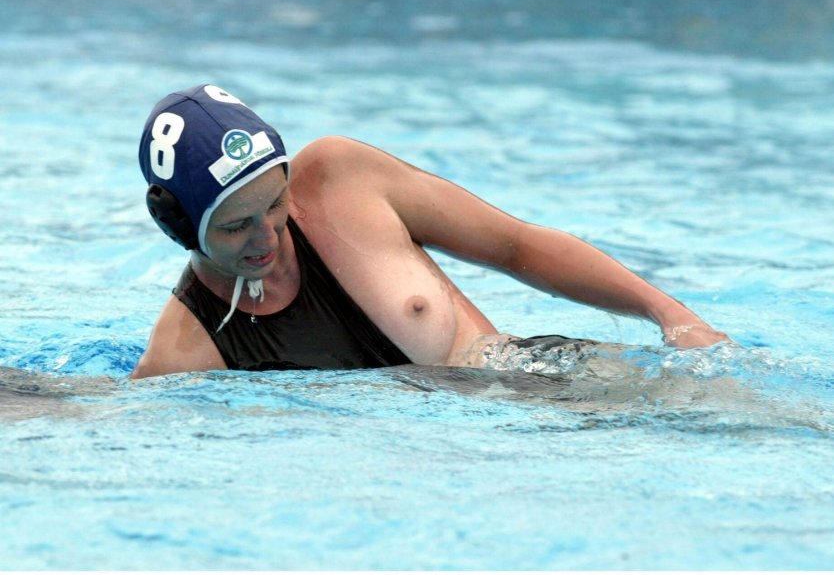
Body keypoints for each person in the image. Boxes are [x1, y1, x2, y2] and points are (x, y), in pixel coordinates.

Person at [130, 84, 729, 379]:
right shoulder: (187, 350)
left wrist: (673, 316)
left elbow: (516, 246)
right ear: (180, 226)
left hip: (532, 376)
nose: (269, 235)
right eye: (236, 226)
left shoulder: (342, 181)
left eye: (275, 202)